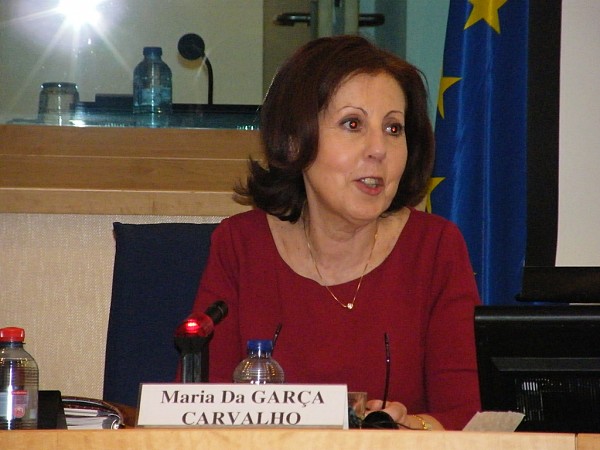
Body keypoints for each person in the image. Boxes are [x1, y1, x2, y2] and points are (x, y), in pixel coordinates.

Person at [191, 35, 481, 431]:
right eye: (353, 124)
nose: (379, 149)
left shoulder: (434, 248)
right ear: (294, 141)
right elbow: (196, 409)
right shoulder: (241, 245)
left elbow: (468, 419)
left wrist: (410, 429)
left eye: (393, 128)